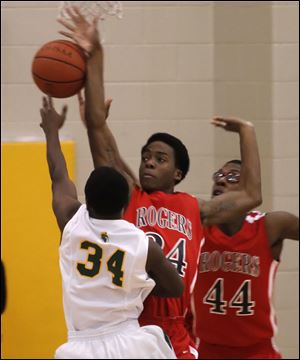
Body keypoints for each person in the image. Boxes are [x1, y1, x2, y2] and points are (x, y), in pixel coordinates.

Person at [58, 6, 262, 359]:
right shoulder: (131, 195)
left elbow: (252, 194)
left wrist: (247, 131)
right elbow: (95, 124)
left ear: (178, 174)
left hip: (178, 333)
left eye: (160, 158)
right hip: (132, 329)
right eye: (146, 156)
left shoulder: (195, 208)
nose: (149, 161)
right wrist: (95, 54)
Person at [39, 95, 185, 359]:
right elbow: (175, 288)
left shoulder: (71, 220)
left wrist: (51, 131)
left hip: (81, 348)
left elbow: (57, 172)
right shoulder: (142, 243)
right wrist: (142, 283)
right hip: (130, 342)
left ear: (86, 198)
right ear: (125, 204)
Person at [188, 159, 299, 359]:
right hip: (208, 350)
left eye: (232, 177)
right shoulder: (197, 223)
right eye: (219, 176)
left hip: (257, 351)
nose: (221, 181)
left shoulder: (269, 226)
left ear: (248, 191)